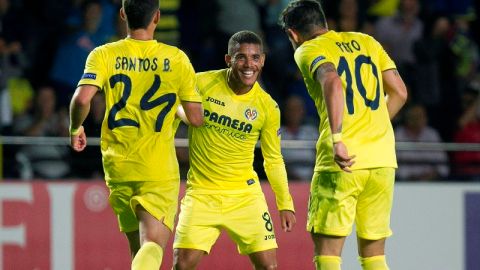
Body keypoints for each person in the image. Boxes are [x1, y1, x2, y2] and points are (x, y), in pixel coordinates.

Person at [68, 1, 203, 269]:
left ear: (122, 15)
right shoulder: (176, 58)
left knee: (139, 250)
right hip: (157, 169)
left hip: (117, 166)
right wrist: (176, 107)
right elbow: (196, 118)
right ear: (158, 17)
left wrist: (75, 128)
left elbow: (82, 99)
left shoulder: (104, 53)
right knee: (153, 244)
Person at [279, 1, 408, 270]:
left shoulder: (308, 49)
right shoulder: (366, 41)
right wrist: (372, 124)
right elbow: (400, 92)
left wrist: (338, 139)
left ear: (293, 34)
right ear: (323, 21)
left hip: (343, 160)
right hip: (383, 160)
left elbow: (332, 81)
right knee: (374, 254)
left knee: (328, 252)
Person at [172, 30, 296, 270]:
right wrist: (185, 115)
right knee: (181, 265)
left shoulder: (268, 107)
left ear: (263, 61)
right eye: (241, 57)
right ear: (228, 60)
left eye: (255, 58)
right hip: (202, 194)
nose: (249, 64)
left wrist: (285, 204)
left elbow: (273, 159)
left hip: (245, 196)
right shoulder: (201, 83)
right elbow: (172, 105)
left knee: (269, 267)